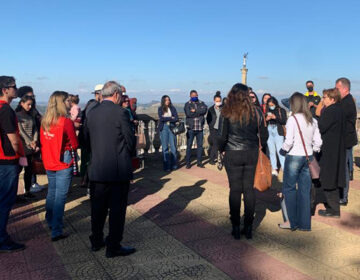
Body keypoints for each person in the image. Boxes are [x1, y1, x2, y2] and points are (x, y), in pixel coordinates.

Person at [85, 81, 136, 258]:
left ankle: (96, 240)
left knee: (97, 209)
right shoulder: (120, 113)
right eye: (121, 94)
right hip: (117, 170)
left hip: (97, 169)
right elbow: (130, 142)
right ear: (115, 94)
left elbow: (85, 140)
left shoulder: (91, 113)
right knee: (117, 211)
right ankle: (113, 246)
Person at [218, 83, 268, 240]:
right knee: (248, 190)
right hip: (251, 152)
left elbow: (221, 136)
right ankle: (248, 227)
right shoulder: (257, 112)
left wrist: (222, 149)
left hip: (232, 153)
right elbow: (264, 136)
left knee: (234, 190)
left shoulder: (226, 111)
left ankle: (235, 227)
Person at [279, 93, 322, 231]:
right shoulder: (312, 120)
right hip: (308, 156)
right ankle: (305, 224)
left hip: (294, 156)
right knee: (305, 190)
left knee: (289, 189)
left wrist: (283, 150)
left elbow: (289, 141)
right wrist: (313, 150)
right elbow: (319, 142)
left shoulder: (293, 119)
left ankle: (292, 221)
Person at [40, 91, 78, 241]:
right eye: (68, 101)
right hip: (63, 159)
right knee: (60, 195)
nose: (70, 103)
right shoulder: (65, 121)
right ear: (62, 103)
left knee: (52, 192)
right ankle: (56, 229)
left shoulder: (45, 120)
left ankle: (49, 220)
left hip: (49, 159)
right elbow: (74, 143)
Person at [0, 76, 26, 253]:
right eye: (13, 87)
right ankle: (2, 239)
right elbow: (13, 139)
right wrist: (20, 154)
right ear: (4, 90)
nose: (16, 89)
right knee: (5, 201)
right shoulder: (6, 110)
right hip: (7, 160)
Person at [317, 88, 346, 217]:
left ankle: (334, 210)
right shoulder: (340, 110)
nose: (323, 100)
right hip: (337, 148)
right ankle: (333, 208)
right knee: (333, 178)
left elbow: (321, 126)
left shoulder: (330, 111)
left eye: (324, 97)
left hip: (329, 149)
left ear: (332, 99)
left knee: (328, 178)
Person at [17, 86, 43, 192]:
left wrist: (35, 141)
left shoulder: (31, 115)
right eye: (28, 104)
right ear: (21, 103)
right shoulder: (17, 115)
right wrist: (30, 142)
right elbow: (20, 131)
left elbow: (35, 129)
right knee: (19, 170)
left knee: (29, 170)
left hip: (30, 147)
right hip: (23, 147)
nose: (30, 106)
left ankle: (27, 190)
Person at [336, 77, 357, 206]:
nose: (335, 91)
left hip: (345, 140)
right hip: (343, 140)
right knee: (342, 168)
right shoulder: (344, 101)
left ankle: (343, 197)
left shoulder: (347, 103)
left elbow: (343, 123)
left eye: (337, 88)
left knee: (343, 169)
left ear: (345, 89)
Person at [78, 84, 103, 188]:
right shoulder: (95, 106)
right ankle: (87, 181)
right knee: (90, 160)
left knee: (85, 160)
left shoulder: (90, 104)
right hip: (90, 139)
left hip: (85, 137)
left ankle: (84, 179)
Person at [184, 90, 208, 168]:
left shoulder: (202, 103)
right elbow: (188, 114)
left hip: (200, 128)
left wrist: (195, 111)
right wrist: (199, 112)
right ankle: (188, 163)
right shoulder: (187, 104)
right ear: (190, 96)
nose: (195, 97)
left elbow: (204, 110)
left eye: (196, 95)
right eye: (193, 96)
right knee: (189, 146)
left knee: (200, 146)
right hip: (191, 128)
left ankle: (199, 162)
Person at [265, 97, 287, 176]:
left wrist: (275, 117)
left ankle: (284, 168)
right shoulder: (267, 110)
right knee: (271, 151)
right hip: (269, 129)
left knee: (280, 150)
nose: (271, 106)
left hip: (278, 130)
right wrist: (266, 119)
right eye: (269, 105)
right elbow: (264, 121)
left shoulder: (281, 110)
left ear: (275, 103)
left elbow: (284, 121)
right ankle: (274, 168)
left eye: (272, 105)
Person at [158, 95, 179, 171]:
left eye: (168, 100)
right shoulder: (160, 109)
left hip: (172, 128)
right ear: (163, 101)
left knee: (173, 146)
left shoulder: (173, 108)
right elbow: (161, 118)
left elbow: (176, 118)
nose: (168, 101)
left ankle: (174, 165)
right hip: (163, 128)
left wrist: (167, 118)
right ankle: (166, 166)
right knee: (165, 147)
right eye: (166, 100)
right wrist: (171, 118)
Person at [206, 91, 222, 165]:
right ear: (214, 101)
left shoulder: (223, 108)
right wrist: (211, 125)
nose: (218, 102)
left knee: (220, 144)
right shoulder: (211, 109)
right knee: (215, 144)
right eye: (217, 101)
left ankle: (217, 158)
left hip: (221, 128)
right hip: (214, 129)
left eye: (219, 101)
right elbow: (208, 119)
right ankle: (212, 159)